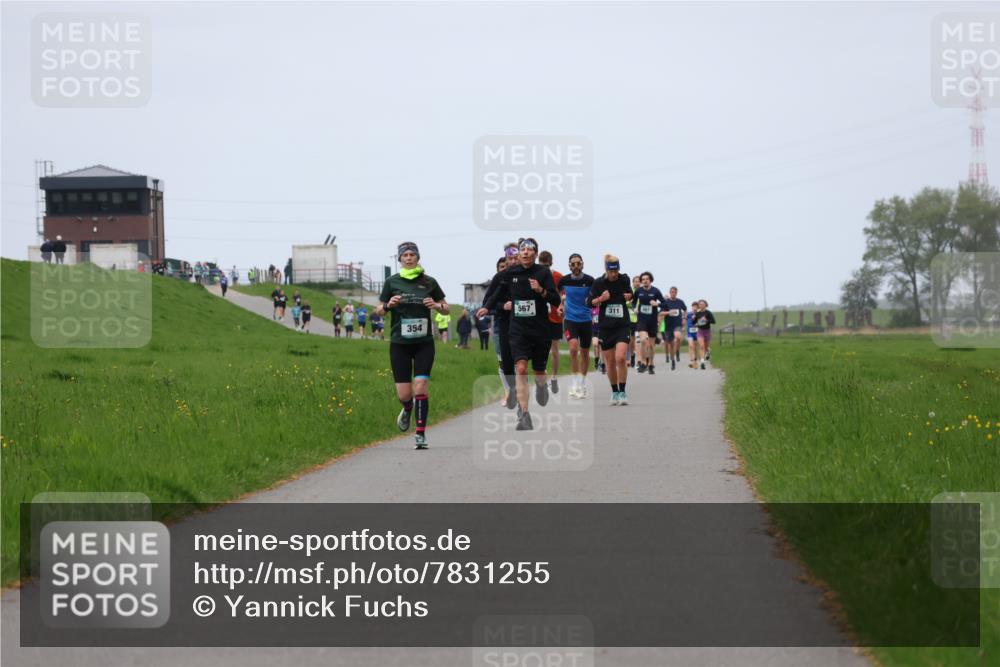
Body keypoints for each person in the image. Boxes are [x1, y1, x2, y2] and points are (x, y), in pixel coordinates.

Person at [478, 237, 560, 431]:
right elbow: (497, 293)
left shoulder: (543, 272)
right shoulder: (509, 273)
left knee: (539, 372)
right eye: (522, 249)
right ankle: (524, 415)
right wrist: (486, 307)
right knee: (521, 369)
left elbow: (555, 299)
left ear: (535, 254)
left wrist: (540, 290)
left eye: (529, 249)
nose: (524, 252)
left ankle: (541, 386)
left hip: (540, 330)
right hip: (518, 330)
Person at [375, 241, 449, 449]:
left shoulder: (429, 282)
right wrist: (388, 306)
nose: (408, 258)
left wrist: (435, 305)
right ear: (399, 259)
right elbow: (378, 310)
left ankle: (420, 434)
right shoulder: (392, 282)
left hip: (424, 344)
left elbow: (446, 308)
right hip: (400, 344)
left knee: (421, 386)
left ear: (418, 258)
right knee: (404, 394)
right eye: (405, 255)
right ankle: (407, 409)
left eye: (412, 255)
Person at [587, 255, 633, 406]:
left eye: (616, 271)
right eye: (611, 271)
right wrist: (600, 299)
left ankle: (623, 392)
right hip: (606, 327)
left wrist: (629, 296)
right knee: (610, 362)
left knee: (620, 358)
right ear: (606, 269)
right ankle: (614, 392)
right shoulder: (599, 283)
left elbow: (630, 294)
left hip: (622, 325)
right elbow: (589, 303)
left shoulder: (624, 279)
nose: (614, 274)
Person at [482, 251, 517, 408]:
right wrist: (503, 306)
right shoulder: (498, 281)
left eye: (507, 264)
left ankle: (515, 391)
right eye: (501, 266)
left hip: (518, 326)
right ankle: (508, 391)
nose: (505, 268)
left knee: (518, 361)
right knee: (503, 362)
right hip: (500, 326)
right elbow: (487, 305)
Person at [558, 252, 595, 398]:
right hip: (570, 320)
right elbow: (558, 295)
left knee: (585, 353)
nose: (576, 266)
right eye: (573, 264)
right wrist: (560, 306)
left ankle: (582, 382)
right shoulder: (564, 280)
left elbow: (594, 298)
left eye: (578, 263)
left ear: (583, 264)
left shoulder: (590, 280)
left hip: (586, 320)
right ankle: (574, 383)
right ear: (569, 266)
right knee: (573, 349)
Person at [538, 251, 564, 395]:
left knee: (554, 349)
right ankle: (545, 376)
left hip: (555, 317)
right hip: (540, 317)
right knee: (541, 350)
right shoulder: (535, 275)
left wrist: (562, 306)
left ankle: (554, 377)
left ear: (551, 263)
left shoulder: (558, 276)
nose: (544, 269)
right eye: (542, 266)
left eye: (546, 266)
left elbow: (563, 294)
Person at [633, 272, 665, 374]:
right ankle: (643, 363)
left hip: (652, 320)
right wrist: (634, 308)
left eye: (647, 279)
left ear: (650, 280)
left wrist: (657, 304)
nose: (645, 281)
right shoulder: (639, 291)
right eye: (643, 279)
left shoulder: (656, 291)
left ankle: (651, 364)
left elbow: (665, 304)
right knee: (642, 340)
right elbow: (634, 302)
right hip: (642, 319)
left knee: (651, 345)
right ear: (641, 281)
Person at [660, 286, 687, 371]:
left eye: (675, 292)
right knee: (671, 344)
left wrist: (684, 318)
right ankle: (673, 360)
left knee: (678, 336)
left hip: (677, 324)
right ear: (669, 292)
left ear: (676, 293)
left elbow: (685, 310)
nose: (673, 293)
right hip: (668, 326)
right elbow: (661, 313)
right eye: (672, 292)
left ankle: (678, 351)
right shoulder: (666, 302)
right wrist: (668, 312)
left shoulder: (680, 302)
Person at [695, 299, 716, 369]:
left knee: (706, 347)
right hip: (700, 331)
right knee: (702, 346)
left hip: (707, 331)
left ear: (705, 305)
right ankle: (702, 362)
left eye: (703, 304)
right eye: (700, 304)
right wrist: (693, 319)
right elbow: (694, 322)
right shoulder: (697, 314)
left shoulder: (708, 313)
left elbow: (713, 321)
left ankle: (708, 351)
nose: (701, 305)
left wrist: (706, 320)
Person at [628, 275, 641, 368]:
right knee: (631, 341)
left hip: (641, 318)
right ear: (633, 283)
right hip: (631, 318)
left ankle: (640, 360)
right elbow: (624, 302)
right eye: (635, 281)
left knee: (639, 340)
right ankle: (632, 356)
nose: (637, 283)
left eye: (638, 281)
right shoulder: (629, 291)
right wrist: (629, 303)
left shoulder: (643, 292)